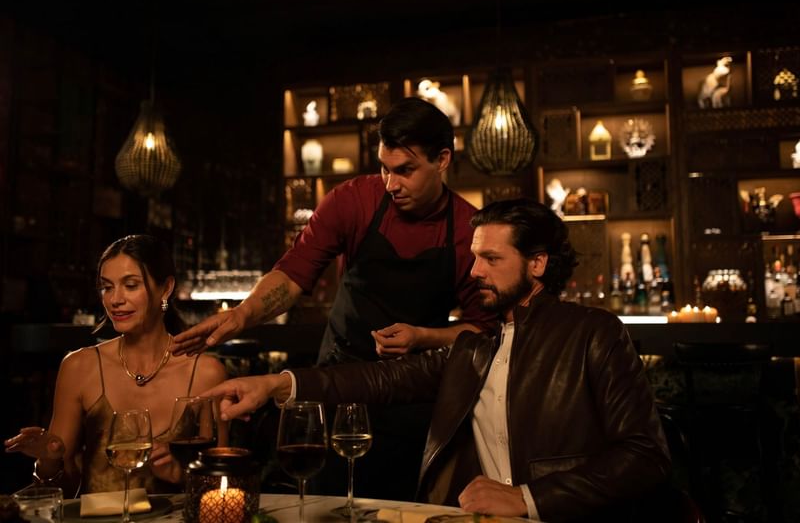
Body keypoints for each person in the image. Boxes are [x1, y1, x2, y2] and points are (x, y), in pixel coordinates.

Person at [202, 199, 671, 521]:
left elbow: (646, 456)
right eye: (473, 257)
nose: (474, 271)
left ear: (538, 264)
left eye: (490, 259)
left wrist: (527, 498)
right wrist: (274, 385)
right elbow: (376, 380)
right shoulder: (475, 348)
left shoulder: (593, 333)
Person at [172, 97, 497, 500]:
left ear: (443, 159)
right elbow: (294, 272)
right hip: (336, 386)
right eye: (384, 168)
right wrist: (243, 315)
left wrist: (422, 337)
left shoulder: (468, 229)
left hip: (414, 398)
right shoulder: (353, 200)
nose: (391, 184)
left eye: (405, 171)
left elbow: (483, 331)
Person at [4, 235, 228, 498]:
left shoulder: (206, 373)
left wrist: (180, 474)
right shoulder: (79, 367)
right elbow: (61, 494)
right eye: (106, 287)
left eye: (130, 285)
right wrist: (50, 459)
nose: (114, 299)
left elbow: (223, 491)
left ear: (165, 288)